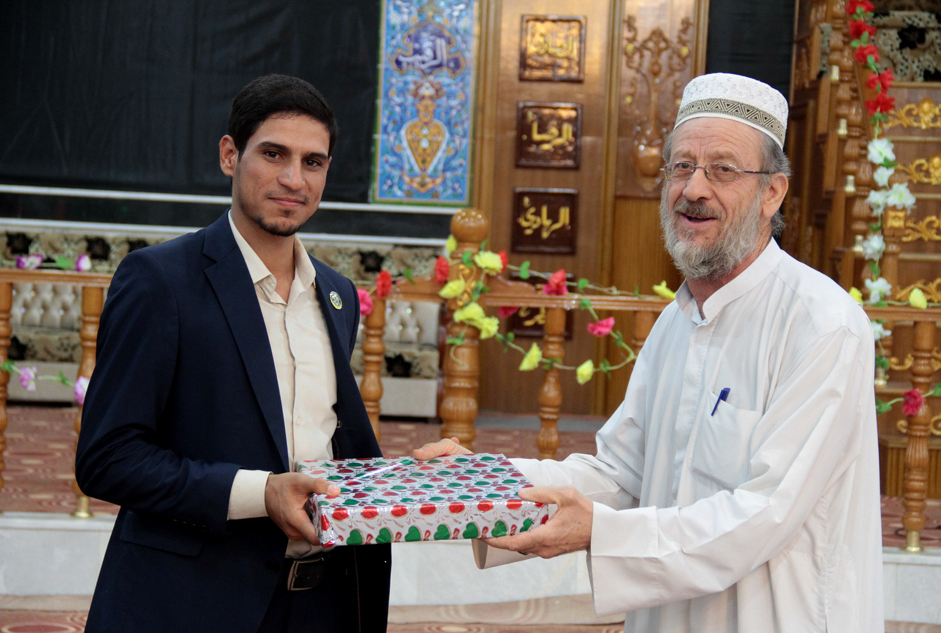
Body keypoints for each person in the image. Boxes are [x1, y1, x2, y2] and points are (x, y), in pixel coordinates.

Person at [415, 73, 883, 632]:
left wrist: (599, 532)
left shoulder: (823, 325)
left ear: (772, 193)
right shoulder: (675, 321)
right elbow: (621, 474)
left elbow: (765, 513)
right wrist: (486, 482)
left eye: (722, 170)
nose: (694, 189)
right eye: (681, 166)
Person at [76, 74, 390, 633]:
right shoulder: (160, 281)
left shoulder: (337, 294)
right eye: (273, 154)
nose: (293, 179)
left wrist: (421, 480)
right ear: (230, 155)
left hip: (323, 603)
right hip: (192, 604)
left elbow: (328, 446)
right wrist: (260, 494)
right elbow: (109, 458)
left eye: (313, 162)